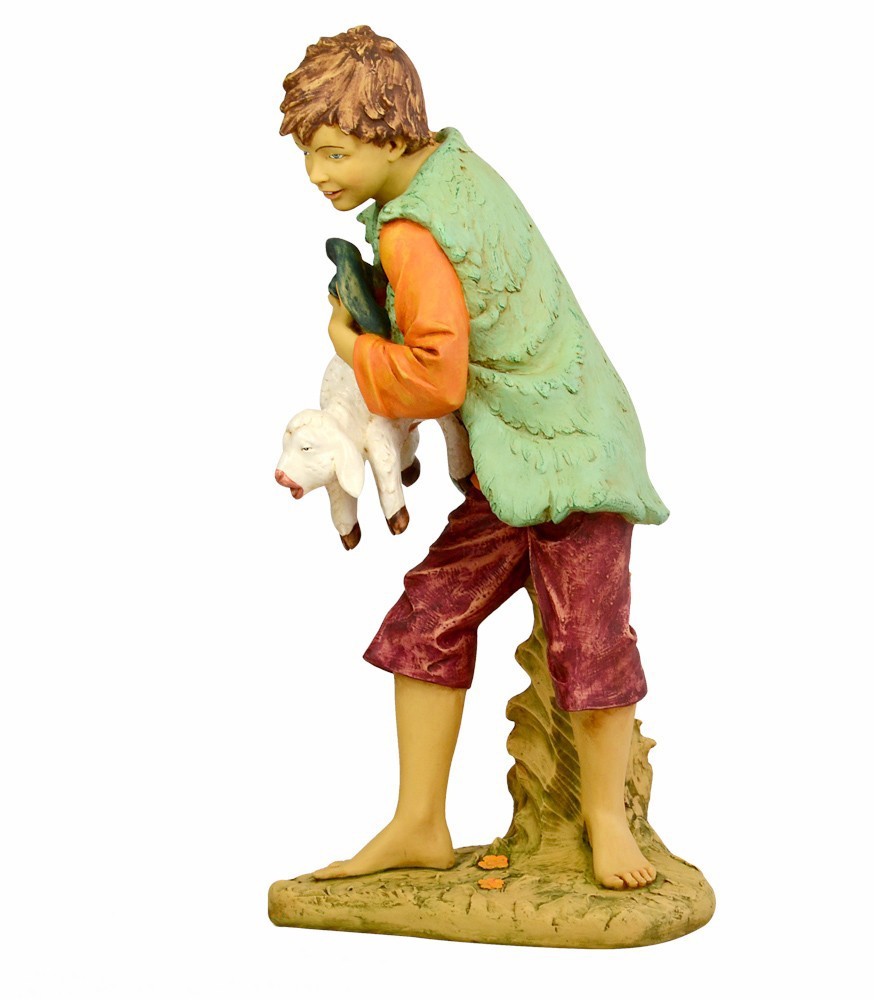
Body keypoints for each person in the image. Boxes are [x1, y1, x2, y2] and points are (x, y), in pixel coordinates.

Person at [279, 26, 669, 890]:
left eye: (334, 152)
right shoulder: (449, 168)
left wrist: (348, 340)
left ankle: (606, 820)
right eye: (309, 153)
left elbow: (433, 375)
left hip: (572, 458)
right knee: (429, 616)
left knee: (590, 642)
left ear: (390, 137)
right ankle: (418, 823)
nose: (316, 174)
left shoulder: (413, 231)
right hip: (511, 461)